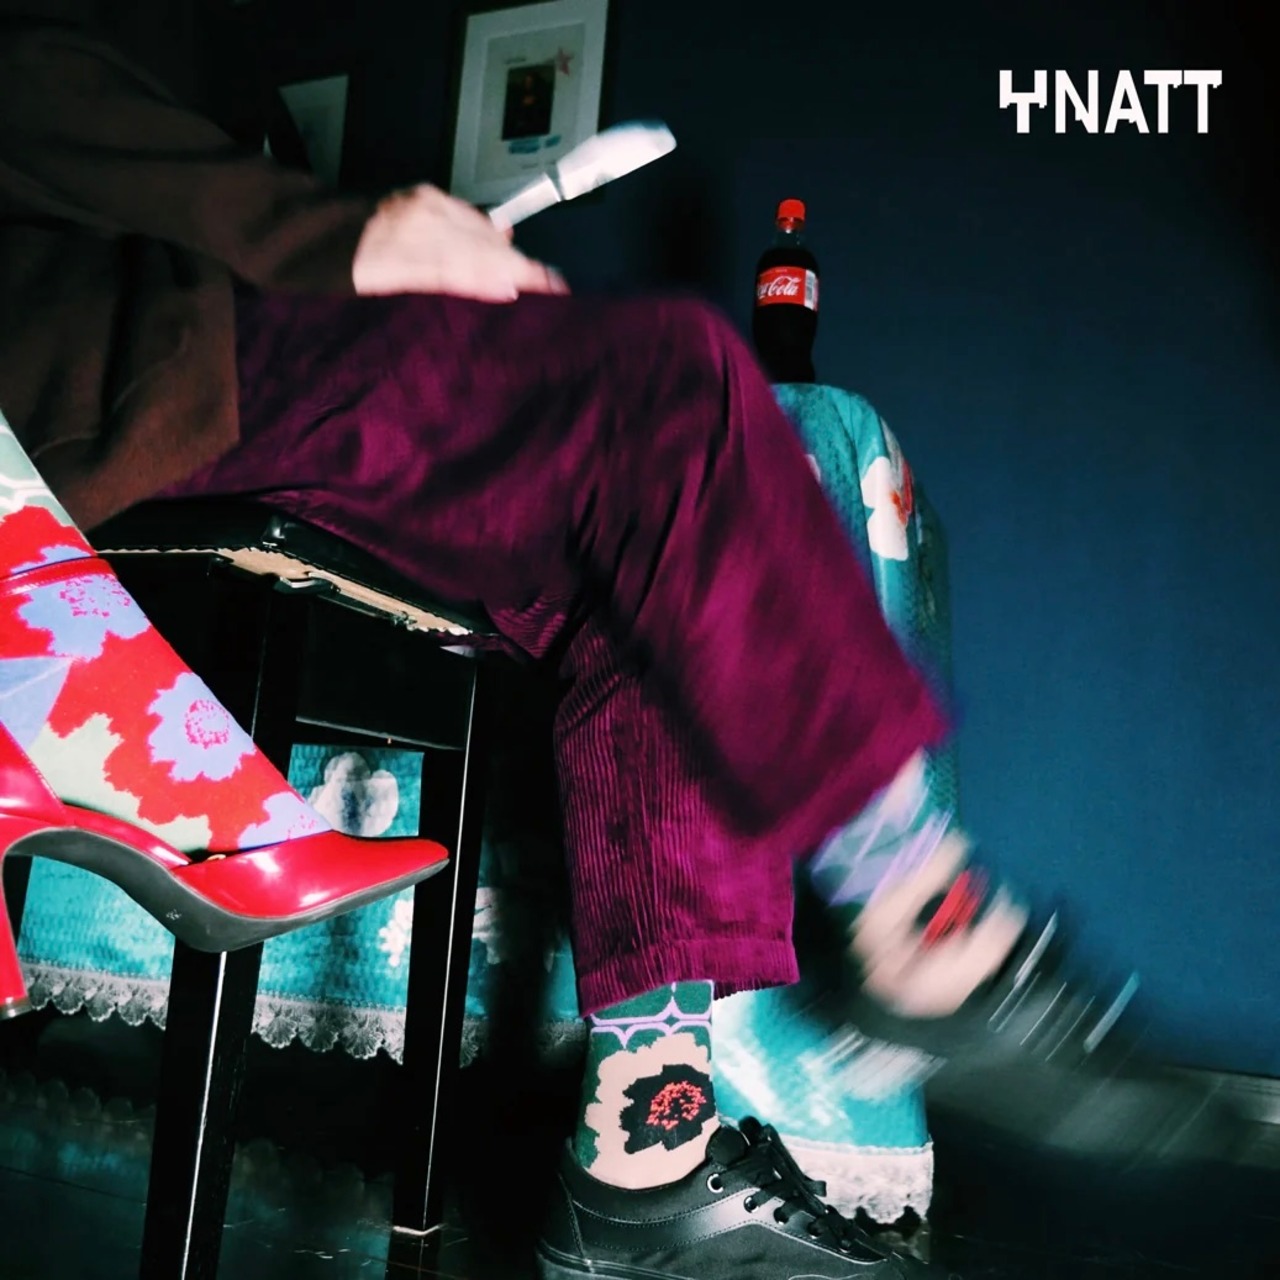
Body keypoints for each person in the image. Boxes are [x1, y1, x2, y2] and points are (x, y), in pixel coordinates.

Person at [0, 3, 1242, 1278]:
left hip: (195, 350)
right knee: (673, 386)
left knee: (665, 571)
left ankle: (637, 1169)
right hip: (96, 361)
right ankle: (920, 908)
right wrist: (336, 232)